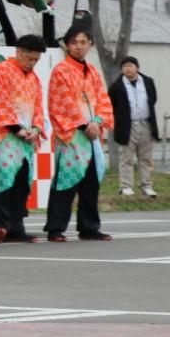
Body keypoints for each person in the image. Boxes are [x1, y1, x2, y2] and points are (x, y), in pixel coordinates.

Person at [45, 25, 115, 242]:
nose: (79, 46)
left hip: (92, 135)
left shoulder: (92, 71)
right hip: (72, 135)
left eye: (83, 42)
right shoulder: (61, 70)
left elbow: (103, 99)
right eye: (74, 42)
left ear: (90, 45)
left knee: (91, 181)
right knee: (66, 182)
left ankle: (89, 227)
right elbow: (62, 102)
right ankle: (56, 228)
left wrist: (96, 121)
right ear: (67, 44)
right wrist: (85, 125)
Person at [0, 34, 47, 244]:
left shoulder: (34, 79)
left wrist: (37, 128)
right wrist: (16, 128)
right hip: (6, 136)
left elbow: (39, 107)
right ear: (18, 51)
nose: (32, 63)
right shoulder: (0, 71)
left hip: (27, 138)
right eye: (29, 58)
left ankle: (16, 226)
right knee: (3, 181)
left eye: (36, 60)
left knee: (22, 182)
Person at [108, 56, 158, 198]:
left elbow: (153, 99)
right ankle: (126, 186)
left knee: (145, 157)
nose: (127, 68)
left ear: (137, 67)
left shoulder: (148, 82)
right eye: (124, 66)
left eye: (130, 65)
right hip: (127, 126)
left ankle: (146, 185)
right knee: (126, 158)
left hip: (146, 124)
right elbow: (112, 104)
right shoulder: (116, 86)